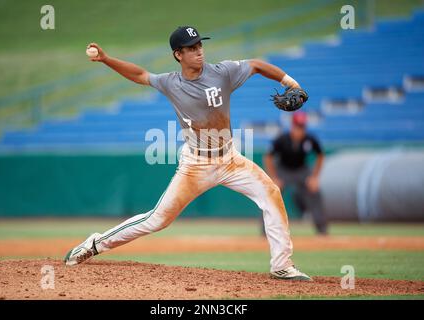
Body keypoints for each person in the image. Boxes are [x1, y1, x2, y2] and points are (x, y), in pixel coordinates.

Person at [64, 26, 312, 281]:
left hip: (230, 160)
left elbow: (257, 65)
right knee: (157, 219)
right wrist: (106, 59)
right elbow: (139, 74)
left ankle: (282, 265)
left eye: (199, 46)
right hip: (196, 165)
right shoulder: (171, 83)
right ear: (178, 55)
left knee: (270, 193)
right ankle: (95, 244)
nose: (199, 52)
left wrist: (290, 82)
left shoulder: (222, 72)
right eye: (191, 48)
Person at [263, 111, 328, 235]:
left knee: (315, 192)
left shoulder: (310, 139)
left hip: (301, 170)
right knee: (271, 194)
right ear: (292, 126)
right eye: (297, 126)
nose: (300, 130)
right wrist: (274, 178)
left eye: (302, 127)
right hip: (283, 169)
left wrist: (314, 177)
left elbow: (320, 156)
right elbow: (268, 157)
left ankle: (322, 231)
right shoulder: (282, 139)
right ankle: (265, 232)